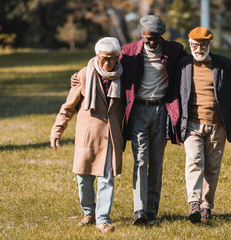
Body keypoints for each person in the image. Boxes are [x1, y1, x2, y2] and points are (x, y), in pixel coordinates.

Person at [71, 15, 186, 225]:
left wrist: (223, 68)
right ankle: (139, 211)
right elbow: (107, 68)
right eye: (148, 37)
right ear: (141, 34)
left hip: (162, 111)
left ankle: (152, 211)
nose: (152, 41)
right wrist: (80, 76)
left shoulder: (174, 50)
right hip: (138, 111)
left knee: (157, 163)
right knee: (141, 159)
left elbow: (190, 66)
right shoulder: (129, 52)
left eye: (156, 38)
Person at [50, 37, 124, 233]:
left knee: (107, 178)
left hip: (110, 136)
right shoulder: (83, 75)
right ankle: (88, 212)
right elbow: (68, 107)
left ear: (118, 57)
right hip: (87, 136)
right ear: (96, 56)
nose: (107, 63)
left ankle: (102, 218)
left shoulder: (124, 76)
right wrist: (57, 130)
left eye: (111, 59)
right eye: (102, 58)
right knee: (84, 178)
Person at [178, 27, 231, 223]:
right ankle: (194, 204)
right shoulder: (183, 65)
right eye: (195, 45)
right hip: (192, 124)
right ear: (189, 44)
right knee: (194, 162)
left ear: (210, 45)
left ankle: (206, 206)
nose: (199, 49)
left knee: (212, 168)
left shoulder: (224, 65)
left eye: (203, 45)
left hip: (218, 125)